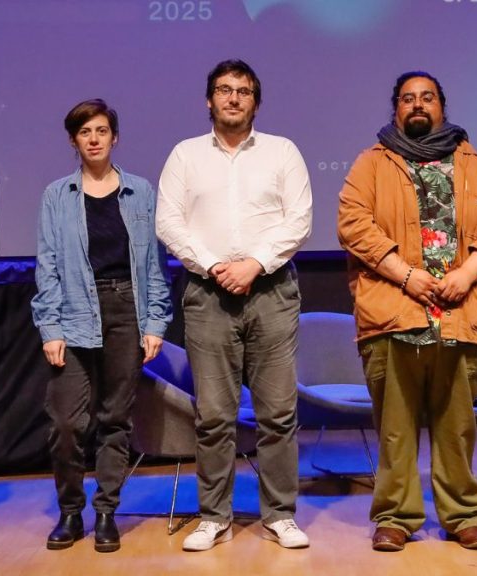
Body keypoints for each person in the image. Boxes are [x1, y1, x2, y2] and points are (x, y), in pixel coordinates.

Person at [337, 71, 477, 552]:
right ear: (396, 108)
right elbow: (353, 224)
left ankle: (463, 515)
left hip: (461, 313)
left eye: (427, 97)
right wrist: (406, 276)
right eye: (408, 98)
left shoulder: (475, 164)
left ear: (442, 106)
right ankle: (395, 517)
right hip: (394, 313)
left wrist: (467, 274)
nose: (417, 104)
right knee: (395, 430)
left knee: (457, 428)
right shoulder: (372, 163)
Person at [156, 59, 312, 551]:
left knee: (278, 413)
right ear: (209, 100)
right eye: (224, 90)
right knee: (214, 416)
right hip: (208, 293)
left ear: (255, 102)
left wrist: (254, 264)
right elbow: (168, 222)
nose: (233, 98)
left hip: (272, 291)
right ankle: (213, 516)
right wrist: (214, 265)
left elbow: (299, 220)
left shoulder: (282, 152)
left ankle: (280, 515)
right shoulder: (185, 155)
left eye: (243, 91)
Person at [31, 99, 172, 553]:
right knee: (66, 423)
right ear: (73, 140)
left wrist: (155, 321)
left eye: (102, 130)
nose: (94, 139)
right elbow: (47, 265)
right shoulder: (57, 195)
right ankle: (71, 511)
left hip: (126, 308)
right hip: (73, 308)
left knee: (116, 418)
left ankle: (107, 510)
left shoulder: (140, 192)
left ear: (115, 138)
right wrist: (50, 327)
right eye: (85, 132)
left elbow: (154, 263)